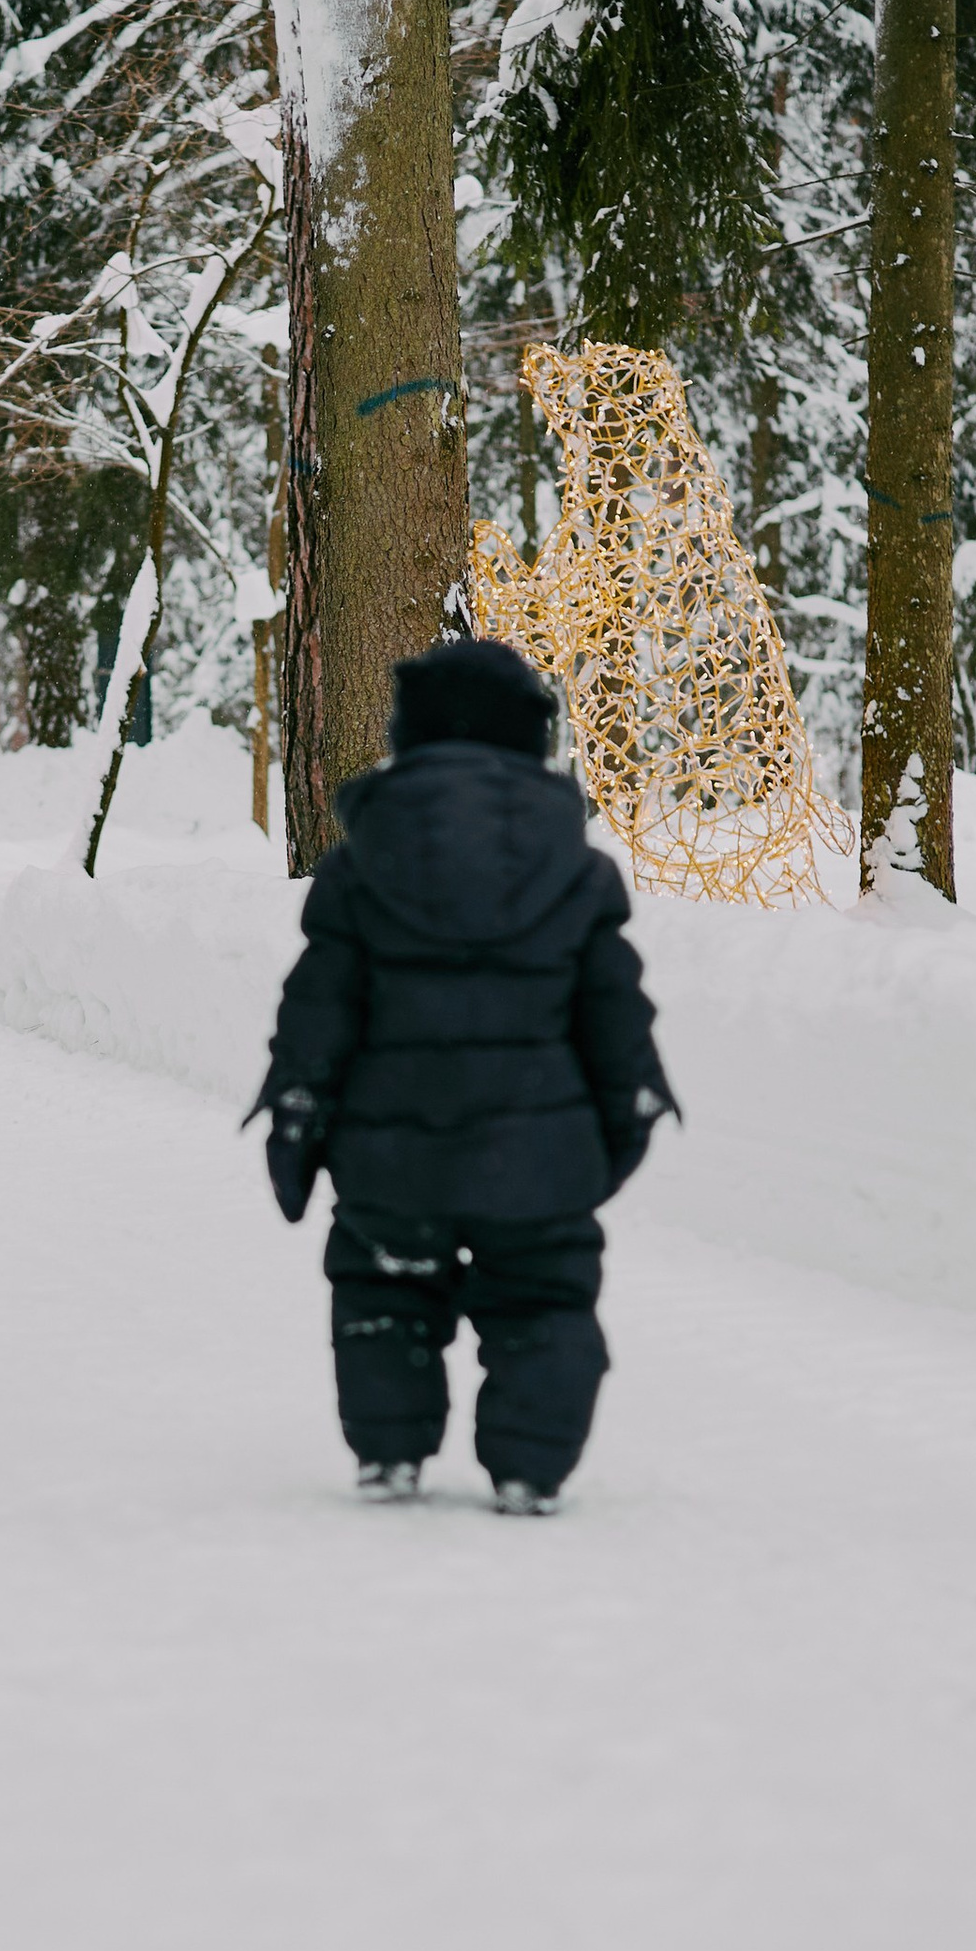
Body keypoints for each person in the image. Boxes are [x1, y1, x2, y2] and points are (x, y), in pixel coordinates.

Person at [251, 636, 676, 1514]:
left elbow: (319, 1006)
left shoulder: (359, 864)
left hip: (388, 1147)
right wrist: (628, 1109)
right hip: (540, 1150)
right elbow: (613, 1009)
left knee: (384, 1286)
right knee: (544, 1294)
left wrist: (298, 1106)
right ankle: (529, 1467)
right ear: (531, 741)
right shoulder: (578, 869)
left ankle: (390, 1454)